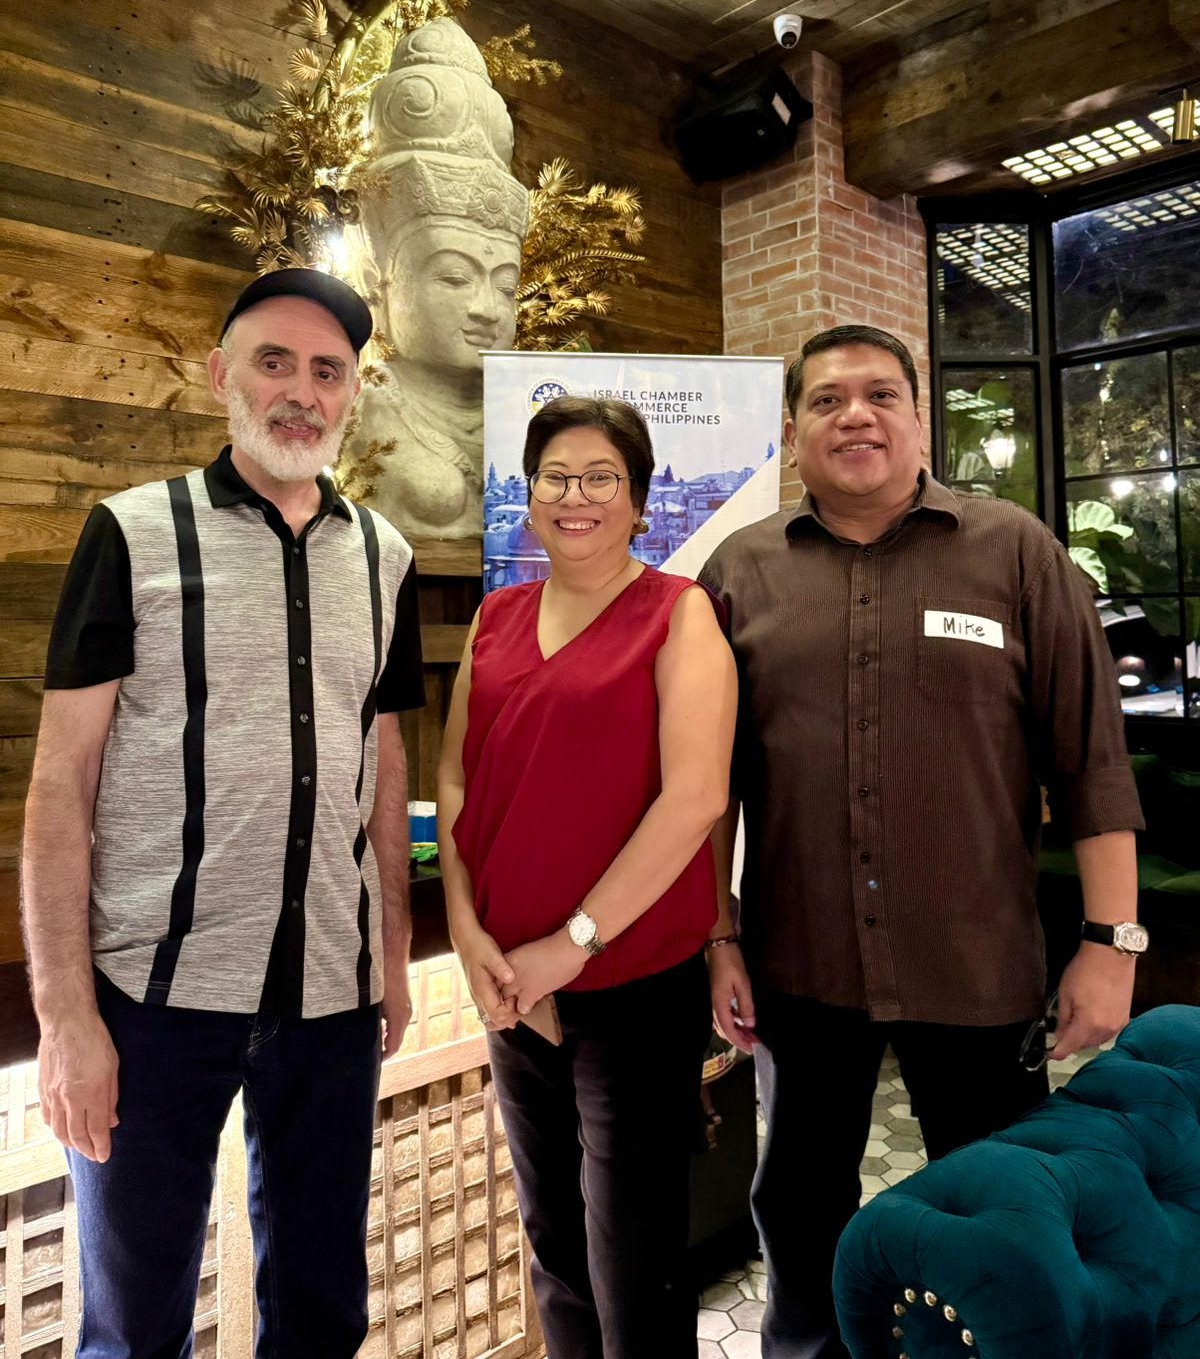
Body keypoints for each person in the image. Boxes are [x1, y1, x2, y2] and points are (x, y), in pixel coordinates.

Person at [699, 325, 1146, 1359]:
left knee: (1001, 1220)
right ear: (794, 430)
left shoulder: (1014, 551)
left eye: (880, 394)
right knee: (799, 1207)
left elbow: (1090, 757)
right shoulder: (740, 571)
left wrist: (1110, 942)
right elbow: (709, 786)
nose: (854, 415)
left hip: (976, 962)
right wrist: (718, 936)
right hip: (800, 964)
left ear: (918, 416)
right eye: (826, 399)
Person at [21, 268, 426, 1358]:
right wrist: (66, 1017)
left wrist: (389, 955)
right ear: (220, 376)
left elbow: (384, 763)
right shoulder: (133, 534)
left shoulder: (385, 557)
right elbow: (61, 781)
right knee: (132, 1326)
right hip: (151, 1001)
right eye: (274, 361)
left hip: (330, 997)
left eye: (328, 371)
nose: (302, 391)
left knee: (321, 1313)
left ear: (352, 395)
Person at [436, 395, 737, 1359]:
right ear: (528, 496)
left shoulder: (680, 615)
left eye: (602, 477)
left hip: (631, 991)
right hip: (512, 989)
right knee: (556, 1248)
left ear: (640, 501)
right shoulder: (495, 617)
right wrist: (469, 933)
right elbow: (456, 778)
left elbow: (696, 797)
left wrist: (571, 947)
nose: (577, 496)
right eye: (555, 477)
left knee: (636, 1262)